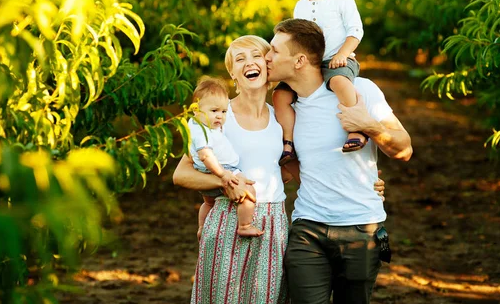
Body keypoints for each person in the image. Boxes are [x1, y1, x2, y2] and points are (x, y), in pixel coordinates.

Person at [173, 34, 386, 304]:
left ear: (268, 65)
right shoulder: (218, 115)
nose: (249, 62)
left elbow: (302, 167)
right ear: (232, 73)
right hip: (229, 217)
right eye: (240, 59)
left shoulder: (282, 116)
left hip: (273, 222)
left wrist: (364, 184)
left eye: (257, 56)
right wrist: (226, 183)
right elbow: (181, 174)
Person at [265, 18, 412, 304]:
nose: (267, 57)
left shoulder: (361, 90)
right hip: (308, 228)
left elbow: (404, 149)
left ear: (299, 61)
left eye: (274, 51)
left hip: (361, 228)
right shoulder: (283, 109)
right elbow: (283, 162)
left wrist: (369, 126)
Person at [274, 0, 366, 166]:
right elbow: (298, 39)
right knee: (281, 94)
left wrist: (343, 54)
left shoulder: (342, 0)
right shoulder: (300, 7)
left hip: (337, 60)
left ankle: (357, 129)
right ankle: (288, 142)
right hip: (309, 63)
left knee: (340, 83)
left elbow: (355, 31)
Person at [187, 76, 263, 239]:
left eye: (223, 111)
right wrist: (223, 175)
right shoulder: (201, 131)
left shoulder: (196, 124)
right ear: (196, 110)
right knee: (248, 191)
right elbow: (206, 155)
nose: (220, 116)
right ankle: (245, 225)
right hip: (222, 170)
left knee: (208, 203)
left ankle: (201, 227)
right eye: (214, 111)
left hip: (208, 173)